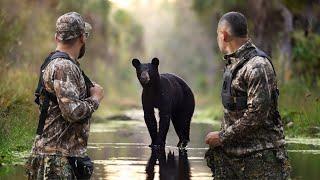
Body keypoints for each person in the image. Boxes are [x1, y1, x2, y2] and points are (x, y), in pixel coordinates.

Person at [205, 12, 290, 179]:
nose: (217, 38)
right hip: (234, 159)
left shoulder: (257, 65)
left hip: (261, 160)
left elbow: (257, 115)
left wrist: (222, 137)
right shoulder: (234, 63)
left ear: (224, 35)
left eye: (217, 34)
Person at [25, 12, 104, 179]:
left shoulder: (54, 62)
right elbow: (72, 112)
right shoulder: (64, 67)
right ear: (83, 37)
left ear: (56, 37)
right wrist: (95, 98)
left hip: (54, 155)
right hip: (57, 159)